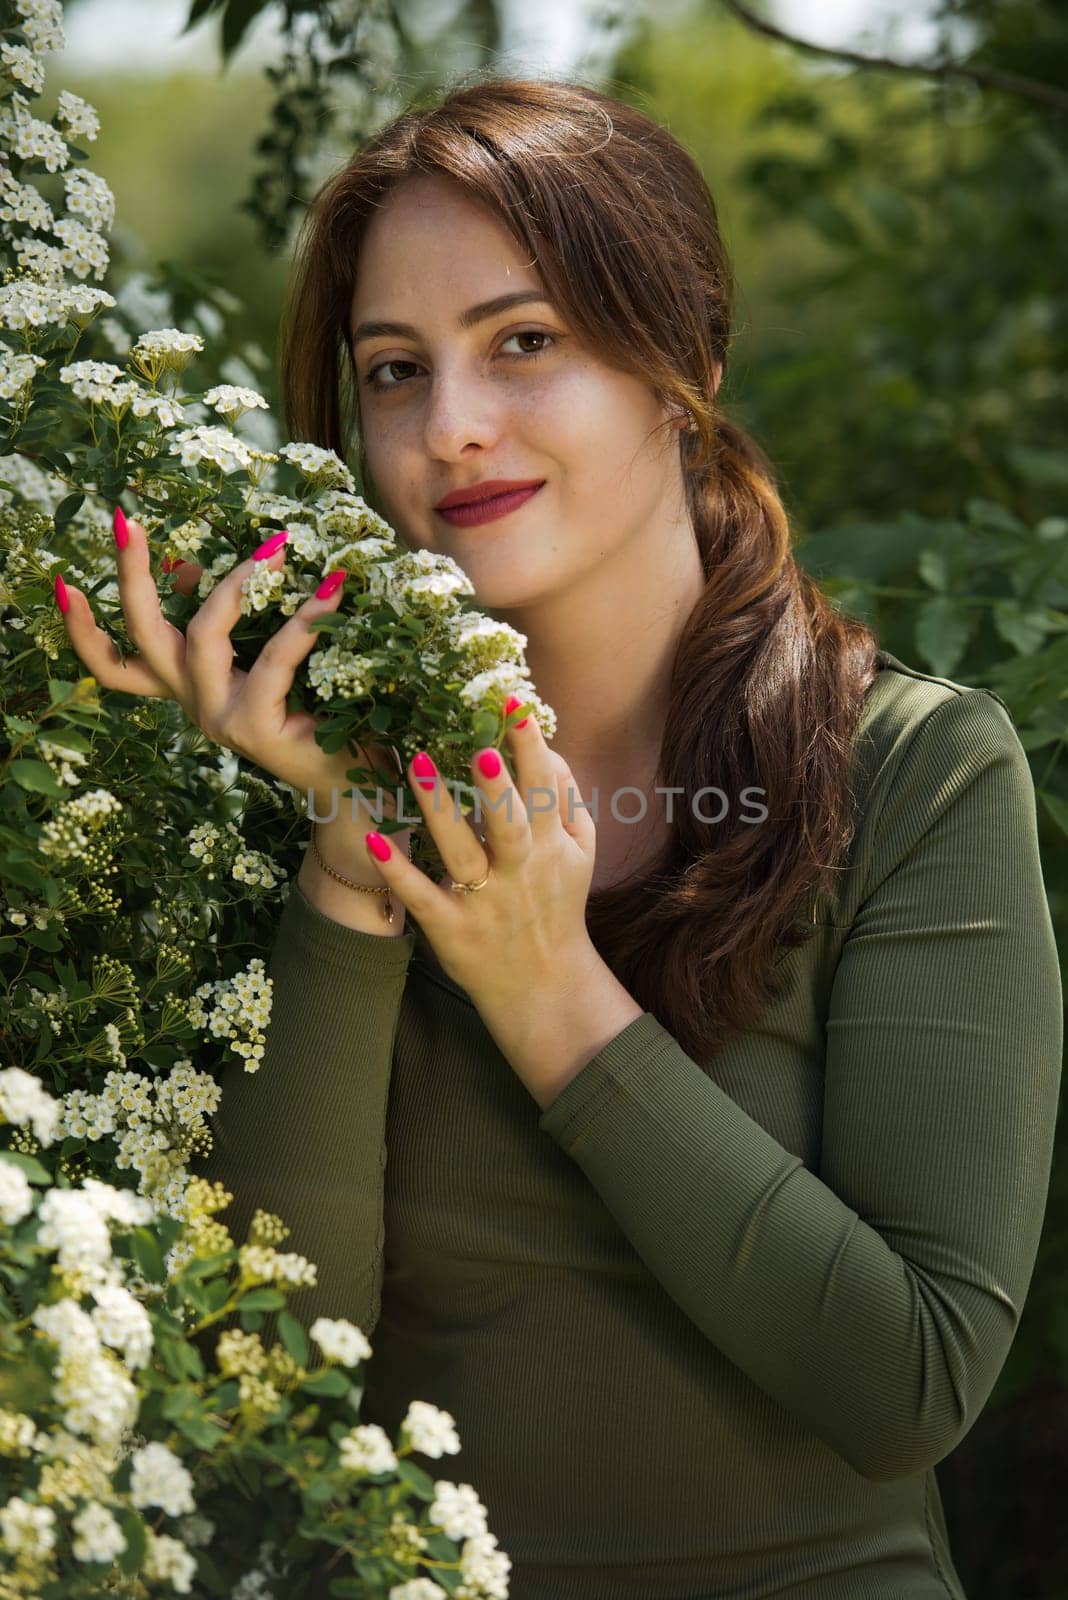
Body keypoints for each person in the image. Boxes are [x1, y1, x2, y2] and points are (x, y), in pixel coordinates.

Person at [56, 75, 1062, 1600]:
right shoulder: (290, 774)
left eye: (523, 342)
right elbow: (258, 1396)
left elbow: (909, 1383)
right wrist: (350, 866)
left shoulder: (916, 774)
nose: (452, 429)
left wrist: (547, 994)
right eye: (395, 371)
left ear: (685, 362)